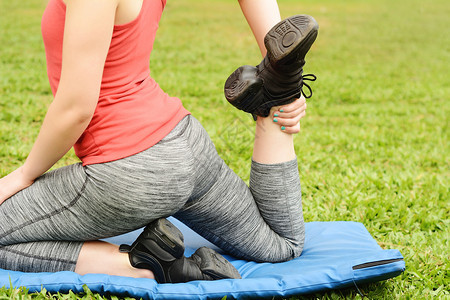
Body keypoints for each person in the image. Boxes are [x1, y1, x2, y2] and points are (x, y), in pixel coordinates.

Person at [0, 0, 317, 283]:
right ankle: (278, 92)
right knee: (281, 245)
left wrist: (24, 174)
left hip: (130, 173)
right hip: (187, 143)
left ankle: (142, 265)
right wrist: (276, 66)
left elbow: (75, 109)